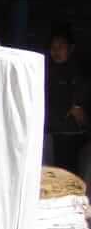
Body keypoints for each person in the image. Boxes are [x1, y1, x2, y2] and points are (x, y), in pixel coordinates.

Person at [45, 27, 87, 173]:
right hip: (52, 133)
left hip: (71, 135)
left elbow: (79, 108)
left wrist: (77, 107)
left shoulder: (77, 71)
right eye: (53, 47)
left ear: (71, 48)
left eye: (61, 46)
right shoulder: (47, 69)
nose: (56, 51)